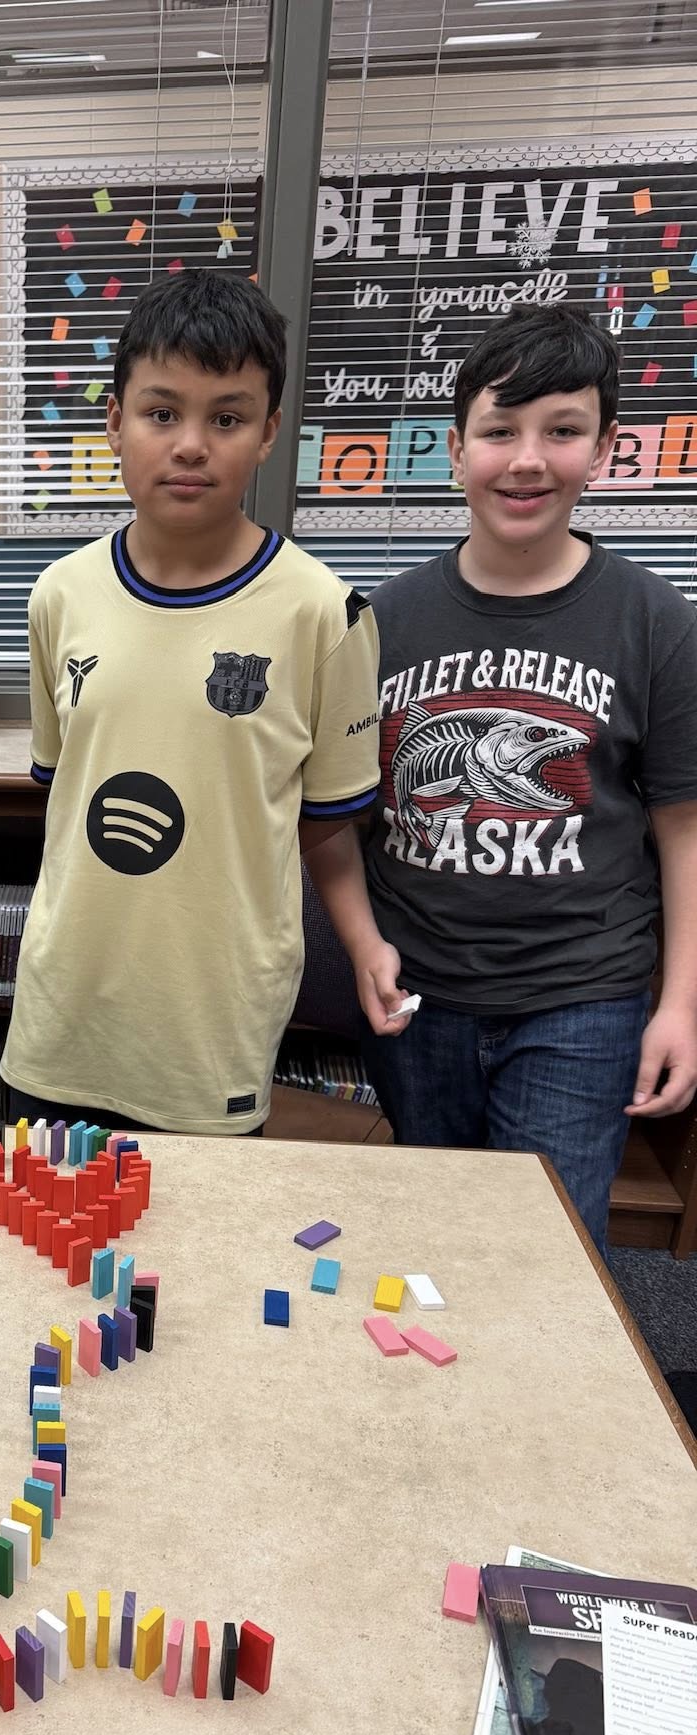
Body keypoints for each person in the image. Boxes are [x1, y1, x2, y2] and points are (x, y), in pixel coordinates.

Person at [1, 267, 408, 1136]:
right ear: (114, 421)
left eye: (225, 418)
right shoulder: (58, 596)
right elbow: (64, 791)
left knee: (190, 1264)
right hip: (62, 1008)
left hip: (208, 1026)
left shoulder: (324, 613)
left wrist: (367, 944)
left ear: (267, 433)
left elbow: (325, 822)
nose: (191, 444)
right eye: (161, 412)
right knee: (31, 1253)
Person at [360, 306, 697, 1252]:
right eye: (500, 431)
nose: (527, 460)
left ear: (604, 449)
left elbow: (682, 828)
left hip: (583, 999)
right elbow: (347, 815)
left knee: (542, 1255)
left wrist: (681, 1005)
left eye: (563, 431)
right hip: (418, 998)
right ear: (457, 447)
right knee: (428, 1242)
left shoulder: (654, 621)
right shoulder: (385, 620)